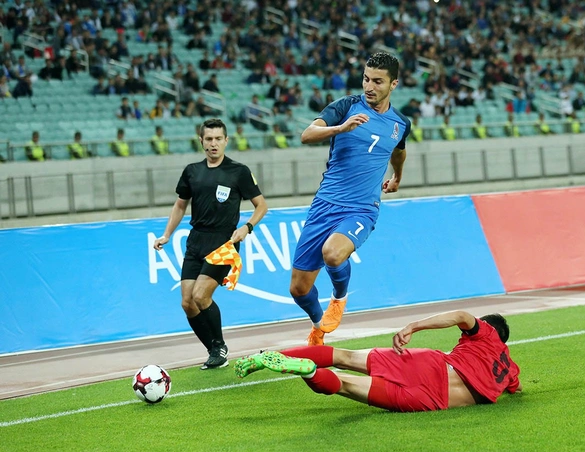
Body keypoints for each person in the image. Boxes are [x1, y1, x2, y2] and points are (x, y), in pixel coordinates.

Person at [292, 52, 410, 346]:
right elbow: (307, 135)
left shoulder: (400, 123)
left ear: (393, 84)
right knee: (298, 289)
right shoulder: (346, 106)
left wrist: (397, 177)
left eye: (378, 81)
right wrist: (339, 128)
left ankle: (339, 297)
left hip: (361, 209)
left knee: (333, 253)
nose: (369, 86)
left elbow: (398, 150)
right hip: (325, 205)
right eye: (366, 79)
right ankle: (319, 325)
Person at [234, 310, 521, 412]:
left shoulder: (487, 334)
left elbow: (461, 316)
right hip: (433, 399)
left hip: (432, 364)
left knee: (345, 357)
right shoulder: (510, 370)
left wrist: (414, 327)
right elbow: (515, 388)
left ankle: (267, 357)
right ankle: (309, 373)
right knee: (346, 385)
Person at [153, 119, 269, 369]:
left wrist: (247, 227)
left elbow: (262, 205)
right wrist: (167, 235)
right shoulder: (191, 171)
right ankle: (214, 350)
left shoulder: (238, 171)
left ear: (226, 140)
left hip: (224, 243)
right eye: (209, 139)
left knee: (200, 295)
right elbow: (180, 205)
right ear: (201, 141)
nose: (213, 144)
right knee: (187, 302)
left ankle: (220, 346)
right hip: (196, 241)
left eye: (218, 139)